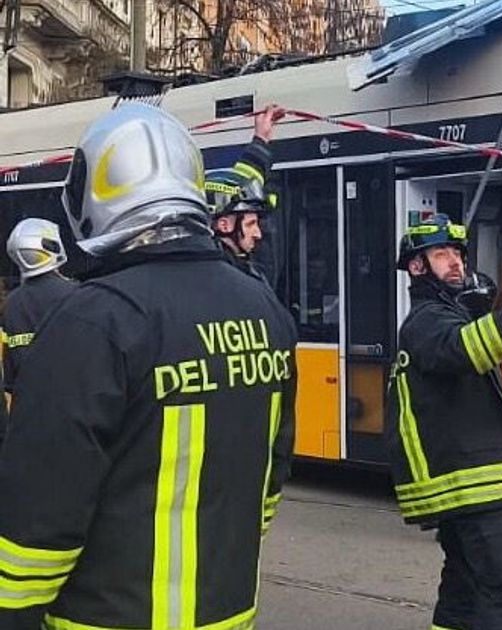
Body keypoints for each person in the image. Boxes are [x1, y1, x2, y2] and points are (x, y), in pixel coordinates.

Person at [0, 102, 298, 630]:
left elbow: (38, 522)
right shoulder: (264, 310)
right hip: (229, 615)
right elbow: (269, 482)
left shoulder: (91, 321)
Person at [384, 213, 502, 630]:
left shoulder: (446, 314)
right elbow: (465, 351)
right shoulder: (425, 322)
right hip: (476, 483)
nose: (456, 262)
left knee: (463, 590)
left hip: (467, 485)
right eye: (441, 254)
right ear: (417, 267)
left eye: (458, 252)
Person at [205, 104, 283, 285]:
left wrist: (261, 139)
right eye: (251, 224)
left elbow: (244, 183)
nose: (258, 234)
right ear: (224, 225)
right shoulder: (223, 280)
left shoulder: (229, 265)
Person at [2, 218, 76, 395]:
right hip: (72, 398)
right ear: (53, 247)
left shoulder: (11, 304)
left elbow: (10, 374)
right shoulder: (76, 295)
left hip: (27, 405)